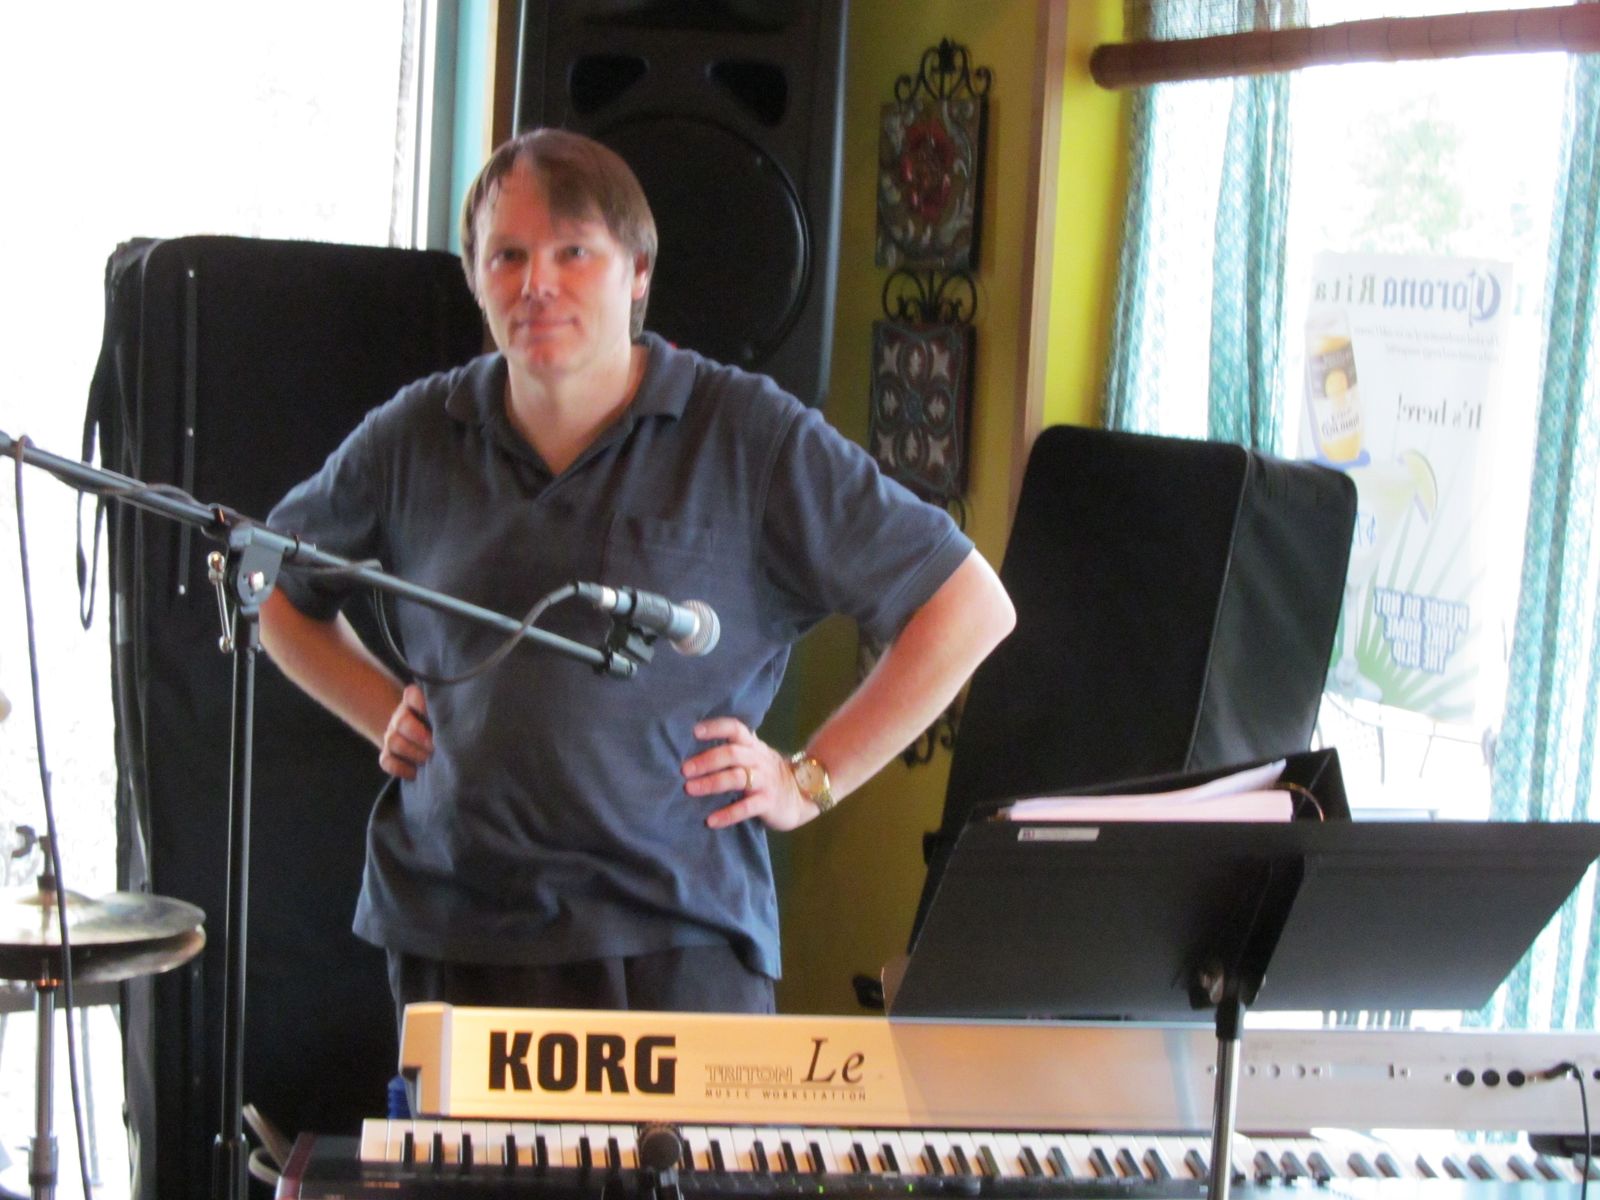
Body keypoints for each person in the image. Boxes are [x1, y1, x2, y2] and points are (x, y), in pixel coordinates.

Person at [260, 128, 1015, 1022]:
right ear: (475, 279)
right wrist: (380, 707)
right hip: (453, 938)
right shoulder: (416, 433)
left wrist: (810, 779)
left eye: (573, 252)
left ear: (639, 272)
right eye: (508, 256)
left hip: (679, 946)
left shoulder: (747, 434)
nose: (537, 283)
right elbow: (271, 584)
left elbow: (967, 606)